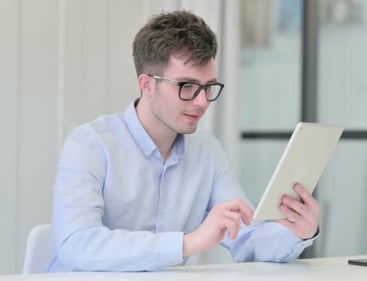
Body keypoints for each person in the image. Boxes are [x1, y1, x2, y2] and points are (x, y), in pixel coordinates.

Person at [48, 10, 319, 272]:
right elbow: (76, 244)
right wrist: (186, 243)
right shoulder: (90, 144)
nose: (202, 102)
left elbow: (248, 240)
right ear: (147, 85)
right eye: (187, 86)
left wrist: (297, 232)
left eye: (208, 86)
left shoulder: (206, 152)